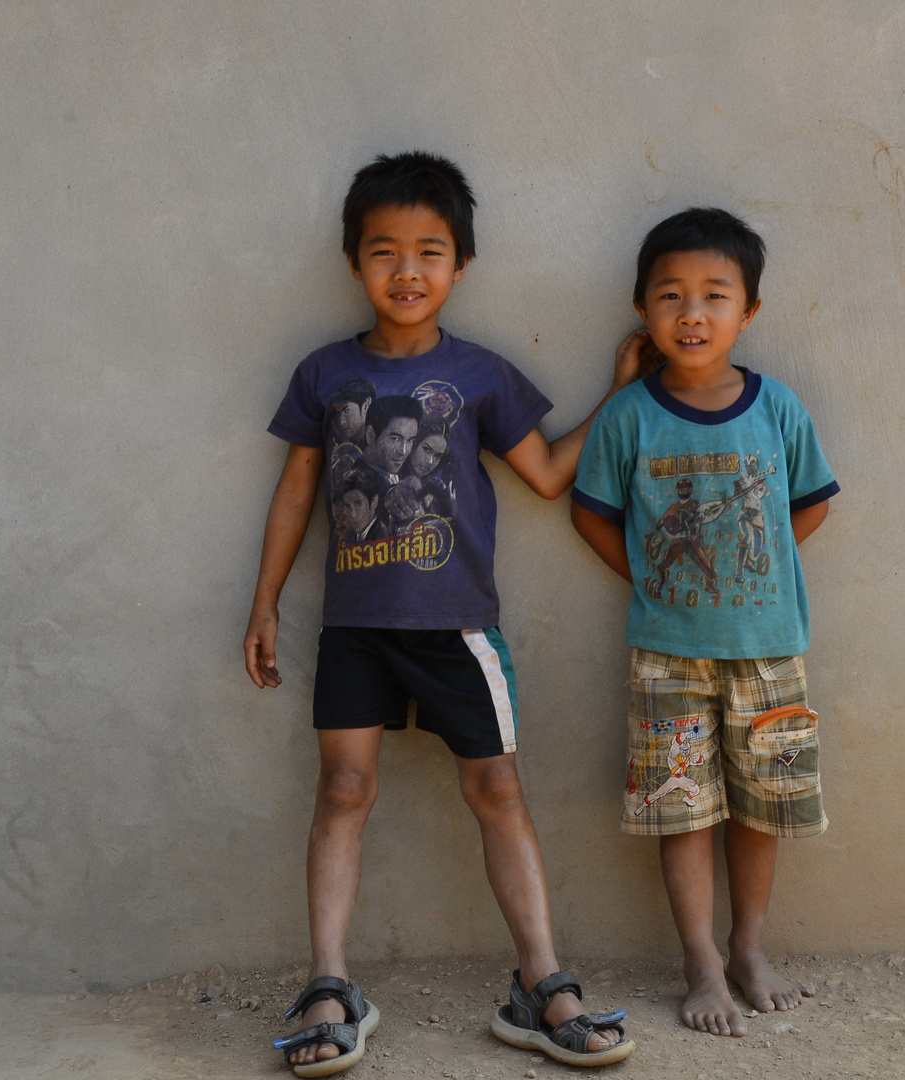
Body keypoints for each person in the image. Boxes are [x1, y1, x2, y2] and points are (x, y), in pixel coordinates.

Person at [246, 151, 645, 1075]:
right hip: (353, 629)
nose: (407, 269)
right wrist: (264, 601)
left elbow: (546, 474)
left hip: (459, 629)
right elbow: (296, 491)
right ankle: (330, 985)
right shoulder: (324, 374)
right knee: (342, 793)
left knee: (498, 790)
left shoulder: (480, 375)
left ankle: (542, 983)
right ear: (355, 262)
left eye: (429, 250)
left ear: (459, 265)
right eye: (384, 250)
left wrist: (621, 392)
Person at [570, 208, 839, 1039]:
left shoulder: (778, 408)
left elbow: (809, 508)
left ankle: (749, 946)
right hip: (668, 654)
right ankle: (700, 962)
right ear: (643, 310)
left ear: (747, 312)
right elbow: (592, 516)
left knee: (763, 807)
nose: (692, 313)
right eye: (671, 295)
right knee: (681, 808)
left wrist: (748, 572)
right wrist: (655, 580)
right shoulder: (628, 417)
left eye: (714, 295)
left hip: (768, 652)